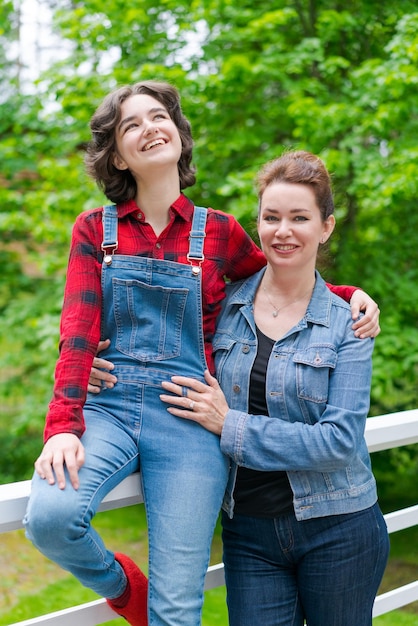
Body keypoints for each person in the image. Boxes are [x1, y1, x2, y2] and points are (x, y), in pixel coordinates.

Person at [23, 78, 379, 626]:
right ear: (116, 154)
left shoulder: (219, 233)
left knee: (177, 606)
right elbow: (76, 333)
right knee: (50, 517)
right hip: (109, 407)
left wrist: (349, 296)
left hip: (190, 416)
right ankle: (122, 587)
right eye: (130, 125)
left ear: (179, 134)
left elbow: (283, 282)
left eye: (158, 116)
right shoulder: (94, 229)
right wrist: (63, 426)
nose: (149, 128)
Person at [159, 150, 389, 626]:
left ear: (325, 226)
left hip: (340, 526)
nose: (283, 231)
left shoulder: (349, 323)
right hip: (250, 533)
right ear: (258, 223)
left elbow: (339, 442)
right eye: (271, 217)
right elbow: (157, 348)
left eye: (299, 218)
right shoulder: (222, 304)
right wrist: (99, 363)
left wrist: (231, 425)